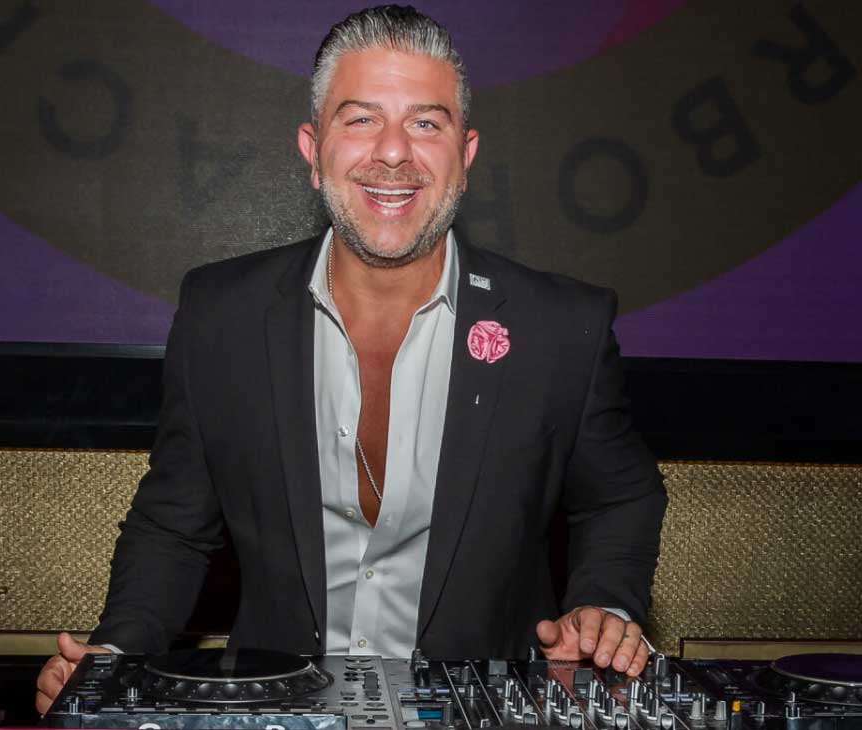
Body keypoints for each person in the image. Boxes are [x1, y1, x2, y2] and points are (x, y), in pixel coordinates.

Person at [36, 5, 666, 715]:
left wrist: (602, 605)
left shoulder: (561, 327)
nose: (392, 152)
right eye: (360, 119)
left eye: (425, 123)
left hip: (481, 711)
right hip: (273, 708)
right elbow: (174, 524)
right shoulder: (222, 315)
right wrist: (112, 660)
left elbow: (620, 495)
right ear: (313, 149)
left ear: (465, 155)